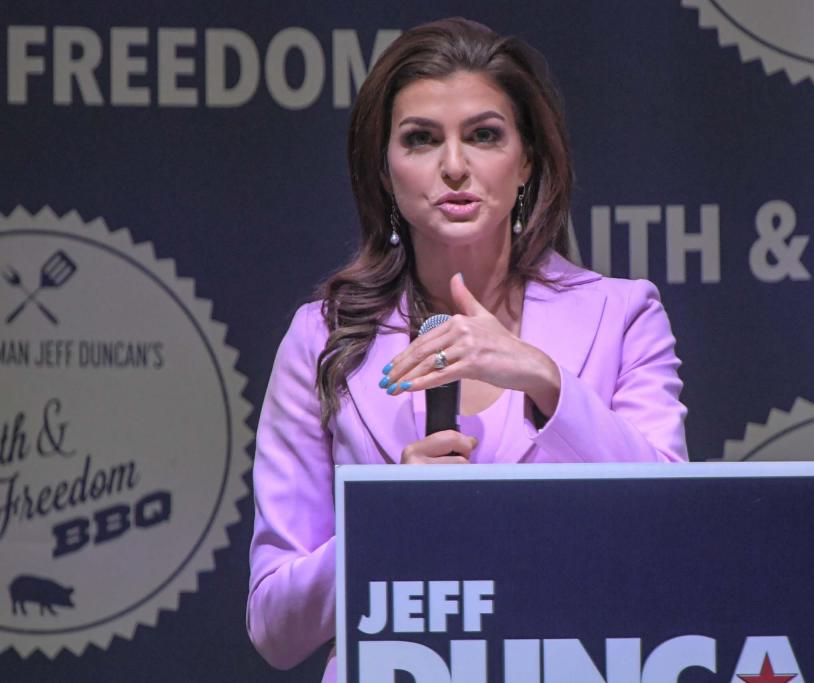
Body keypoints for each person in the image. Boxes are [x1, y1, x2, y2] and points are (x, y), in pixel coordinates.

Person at [246, 17, 688, 678]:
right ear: (384, 169)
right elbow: (274, 627)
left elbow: (678, 538)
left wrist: (546, 381)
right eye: (421, 139)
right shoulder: (323, 337)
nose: (455, 166)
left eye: (484, 135)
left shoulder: (622, 314)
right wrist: (385, 521)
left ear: (527, 160)